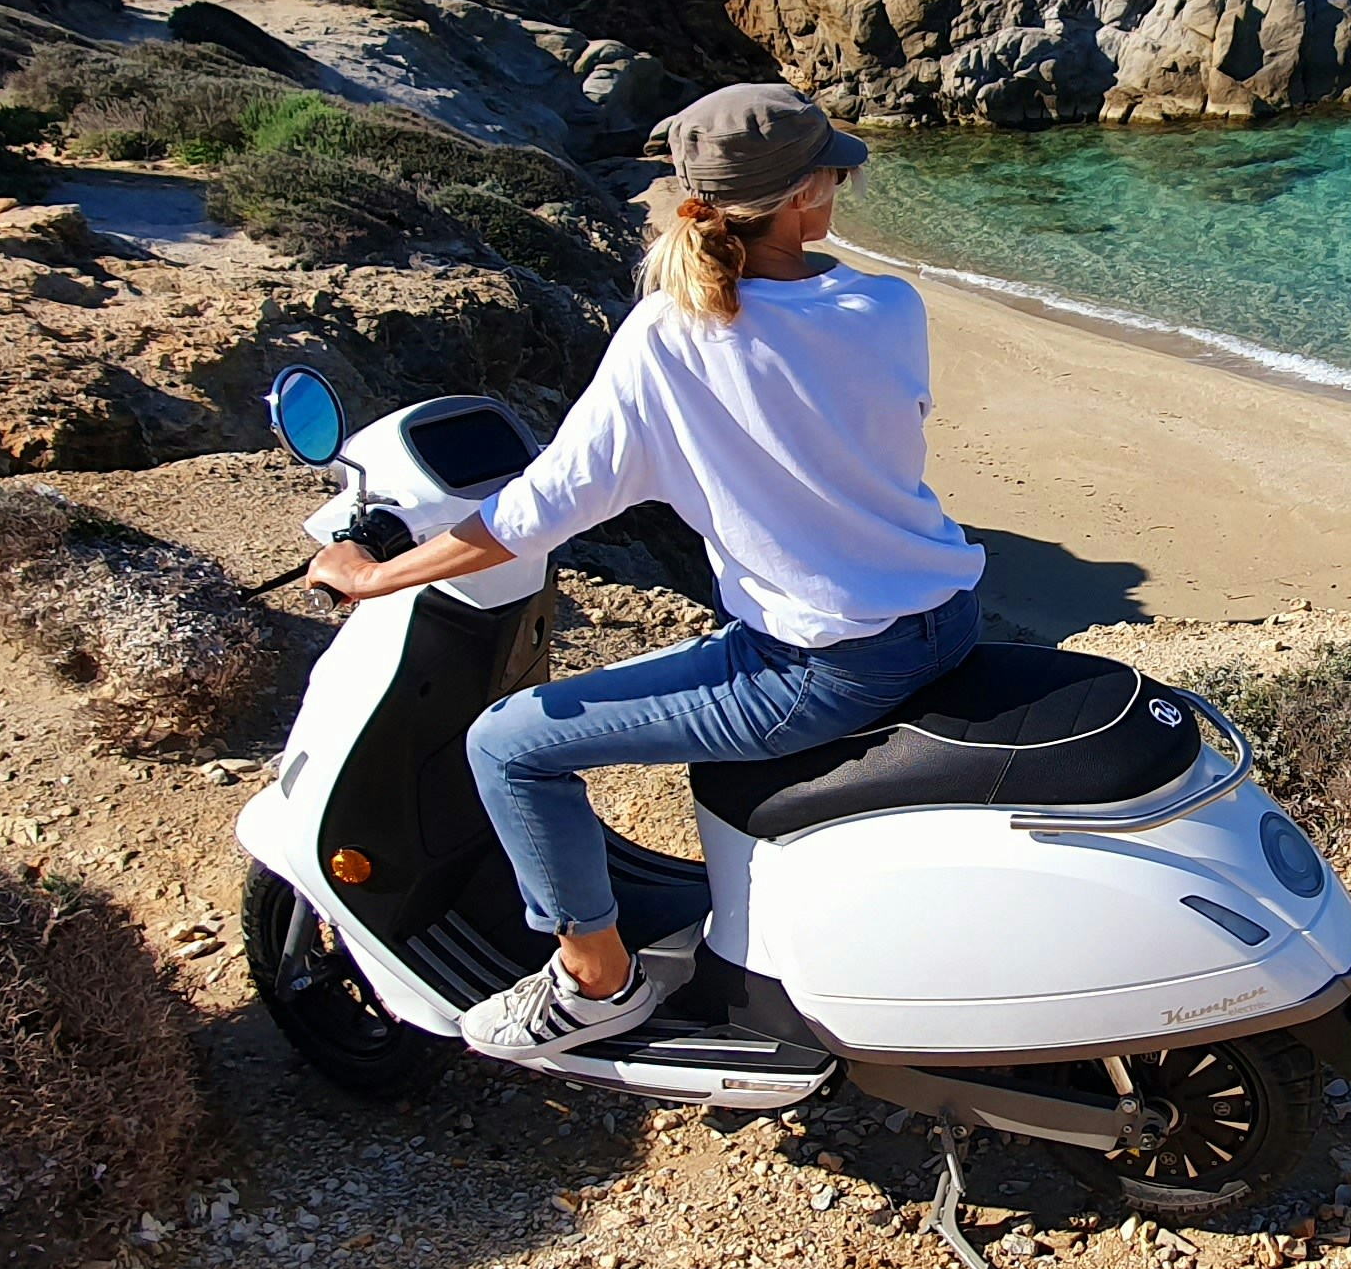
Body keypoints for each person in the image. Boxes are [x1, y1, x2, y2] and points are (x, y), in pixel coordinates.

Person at [303, 83, 984, 1059]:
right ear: (802, 201)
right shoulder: (886, 304)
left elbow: (534, 516)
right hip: (944, 613)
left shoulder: (667, 341)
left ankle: (596, 983)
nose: (841, 178)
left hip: (827, 663)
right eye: (832, 167)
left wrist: (374, 577)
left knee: (506, 743)